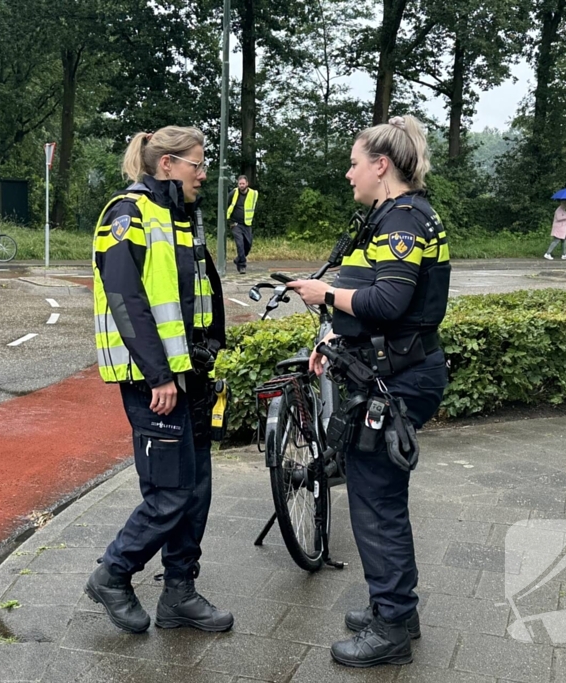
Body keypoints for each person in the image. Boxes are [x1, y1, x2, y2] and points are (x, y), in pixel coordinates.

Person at [287, 115, 450, 669]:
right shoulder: (394, 216)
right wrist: (335, 335)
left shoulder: (402, 220)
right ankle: (398, 610)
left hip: (400, 380)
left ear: (382, 165)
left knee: (376, 502)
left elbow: (388, 304)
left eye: (355, 162)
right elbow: (373, 300)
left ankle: (391, 631)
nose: (348, 172)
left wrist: (323, 293)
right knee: (379, 495)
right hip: (392, 369)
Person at [87, 126, 231, 635]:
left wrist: (214, 351)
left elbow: (196, 293)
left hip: (191, 376)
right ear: (166, 164)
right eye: (197, 163)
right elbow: (127, 300)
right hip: (157, 383)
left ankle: (179, 594)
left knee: (195, 491)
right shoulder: (126, 214)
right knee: (170, 493)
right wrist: (159, 376)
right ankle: (113, 573)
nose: (204, 173)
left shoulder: (178, 215)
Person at [226, 175, 258, 274]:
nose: (241, 185)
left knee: (248, 245)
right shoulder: (233, 193)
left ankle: (238, 259)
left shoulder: (253, 194)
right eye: (240, 184)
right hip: (235, 223)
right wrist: (230, 221)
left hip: (247, 223)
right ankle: (242, 266)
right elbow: (226, 204)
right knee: (240, 244)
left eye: (243, 184)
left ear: (247, 184)